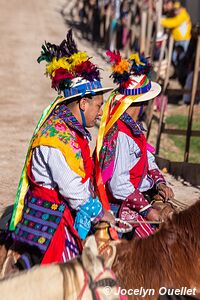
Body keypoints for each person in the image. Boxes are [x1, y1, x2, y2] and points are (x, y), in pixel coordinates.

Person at [8, 30, 114, 269]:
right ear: (83, 103)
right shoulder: (55, 138)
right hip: (50, 220)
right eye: (98, 106)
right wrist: (101, 214)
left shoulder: (70, 131)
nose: (100, 113)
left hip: (65, 210)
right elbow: (73, 191)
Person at [95, 51, 174, 238]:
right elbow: (119, 184)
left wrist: (160, 184)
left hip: (135, 198)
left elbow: (147, 158)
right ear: (139, 104)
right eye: (146, 103)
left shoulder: (134, 129)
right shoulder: (121, 134)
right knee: (157, 243)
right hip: (119, 206)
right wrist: (148, 210)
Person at [161, 0, 191, 66]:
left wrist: (161, 21)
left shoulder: (183, 15)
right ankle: (177, 69)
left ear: (182, 8)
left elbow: (174, 22)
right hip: (177, 40)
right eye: (175, 9)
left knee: (182, 57)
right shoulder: (175, 14)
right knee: (174, 57)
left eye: (177, 9)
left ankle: (180, 71)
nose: (176, 11)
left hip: (184, 40)